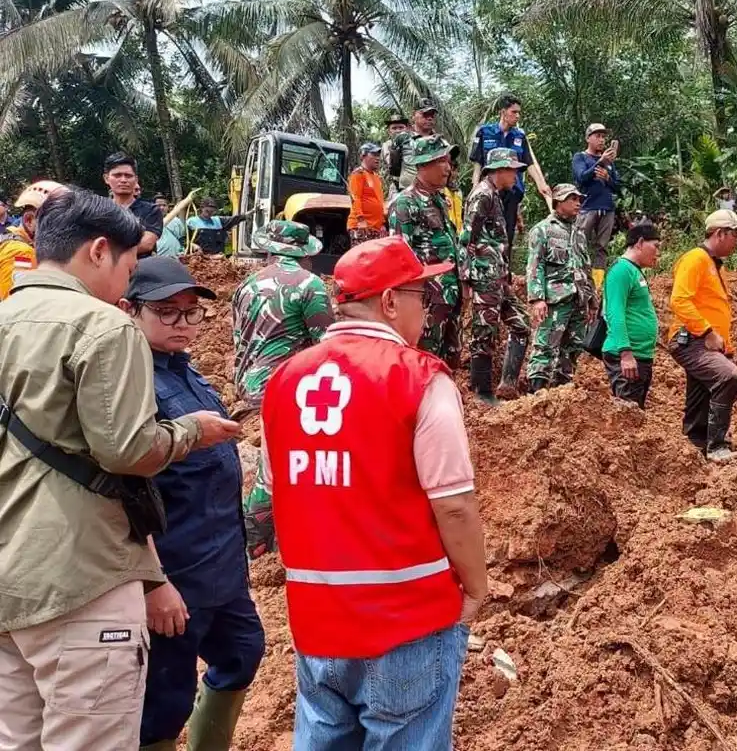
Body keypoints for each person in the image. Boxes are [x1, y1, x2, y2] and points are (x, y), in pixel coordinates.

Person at [0, 188, 240, 749]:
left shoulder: (6, 317)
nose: (126, 285)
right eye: (131, 266)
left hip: (12, 576)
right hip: (83, 574)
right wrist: (191, 432)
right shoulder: (104, 327)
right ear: (101, 251)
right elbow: (129, 451)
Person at [260, 236, 486, 749]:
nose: (426, 312)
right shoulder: (421, 378)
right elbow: (452, 503)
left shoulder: (284, 381)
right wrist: (475, 585)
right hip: (406, 617)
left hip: (317, 620)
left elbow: (281, 488)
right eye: (420, 297)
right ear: (388, 302)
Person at [120, 258, 264, 751]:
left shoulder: (187, 373)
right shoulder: (132, 385)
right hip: (177, 574)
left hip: (222, 565)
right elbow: (127, 494)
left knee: (242, 653)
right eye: (167, 312)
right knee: (164, 699)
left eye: (190, 312)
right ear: (130, 311)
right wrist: (153, 583)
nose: (182, 323)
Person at [234, 220, 335, 558]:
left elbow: (240, 339)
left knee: (279, 460)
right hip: (287, 387)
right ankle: (257, 541)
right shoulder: (310, 285)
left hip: (251, 383)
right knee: (277, 466)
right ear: (304, 254)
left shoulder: (246, 285)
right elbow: (326, 343)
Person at [668, 209, 737, 462]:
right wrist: (706, 331)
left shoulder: (714, 265)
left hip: (706, 341)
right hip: (692, 339)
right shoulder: (695, 259)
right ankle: (716, 446)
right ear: (719, 233)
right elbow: (679, 300)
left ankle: (695, 444)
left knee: (702, 390)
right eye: (735, 234)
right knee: (728, 377)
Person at [463, 148, 532, 404]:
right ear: (499, 170)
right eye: (513, 169)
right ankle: (481, 394)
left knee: (521, 324)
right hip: (483, 276)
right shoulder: (481, 195)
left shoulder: (495, 195)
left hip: (498, 277)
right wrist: (466, 279)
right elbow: (466, 237)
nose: (516, 175)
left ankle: (507, 384)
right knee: (484, 331)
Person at [389, 135, 464, 368]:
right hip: (427, 302)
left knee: (449, 363)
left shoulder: (439, 200)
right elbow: (400, 258)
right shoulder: (405, 203)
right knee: (424, 363)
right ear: (423, 164)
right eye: (441, 161)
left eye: (448, 161)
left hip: (449, 297)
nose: (448, 168)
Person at [526, 184, 597, 392]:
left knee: (573, 349)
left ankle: (562, 393)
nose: (577, 203)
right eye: (571, 199)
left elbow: (586, 267)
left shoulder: (579, 233)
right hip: (555, 300)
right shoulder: (542, 230)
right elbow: (534, 265)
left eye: (578, 199)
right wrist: (537, 298)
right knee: (545, 346)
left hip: (578, 301)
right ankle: (535, 394)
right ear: (558, 202)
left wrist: (592, 300)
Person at [468, 94, 554, 251]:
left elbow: (529, 163)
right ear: (503, 112)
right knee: (485, 232)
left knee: (507, 234)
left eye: (518, 112)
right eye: (514, 112)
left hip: (513, 191)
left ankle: (505, 269)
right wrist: (475, 186)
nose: (517, 116)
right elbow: (478, 162)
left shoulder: (520, 136)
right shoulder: (485, 132)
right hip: (490, 191)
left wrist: (541, 185)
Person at [602, 221, 662, 408]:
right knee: (627, 416)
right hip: (628, 356)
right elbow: (614, 313)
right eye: (656, 246)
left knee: (635, 415)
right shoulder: (621, 271)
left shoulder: (634, 271)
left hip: (640, 355)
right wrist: (626, 354)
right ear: (640, 243)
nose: (658, 253)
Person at [572, 123, 621, 289]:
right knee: (579, 244)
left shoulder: (610, 162)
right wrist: (600, 162)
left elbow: (618, 186)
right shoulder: (580, 157)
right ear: (588, 138)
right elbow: (581, 178)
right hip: (587, 208)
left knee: (601, 247)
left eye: (603, 136)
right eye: (597, 136)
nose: (601, 140)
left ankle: (597, 285)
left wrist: (608, 178)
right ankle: (579, 280)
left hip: (607, 208)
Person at [0, 181, 57, 300]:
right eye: (55, 222)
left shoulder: (13, 240)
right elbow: (17, 301)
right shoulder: (20, 254)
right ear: (30, 221)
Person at [104, 151, 164, 255]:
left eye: (128, 176)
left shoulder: (151, 210)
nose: (123, 180)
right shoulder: (99, 210)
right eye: (117, 175)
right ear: (106, 178)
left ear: (136, 179)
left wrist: (110, 254)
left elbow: (147, 243)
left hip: (141, 268)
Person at [394, 98, 441, 191]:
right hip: (407, 193)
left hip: (432, 194)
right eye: (425, 114)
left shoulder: (439, 141)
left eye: (432, 115)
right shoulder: (402, 138)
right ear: (413, 115)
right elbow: (394, 166)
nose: (430, 118)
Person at [348, 142, 387, 246]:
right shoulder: (358, 174)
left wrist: (382, 223)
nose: (377, 158)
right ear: (363, 155)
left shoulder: (376, 177)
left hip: (376, 228)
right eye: (374, 155)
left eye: (378, 155)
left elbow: (379, 200)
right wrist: (361, 219)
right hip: (361, 226)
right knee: (361, 259)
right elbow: (355, 198)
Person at [381, 112, 411, 200]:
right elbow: (391, 163)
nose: (398, 130)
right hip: (397, 187)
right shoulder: (387, 145)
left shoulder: (415, 143)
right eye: (394, 128)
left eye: (401, 127)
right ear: (389, 131)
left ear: (407, 129)